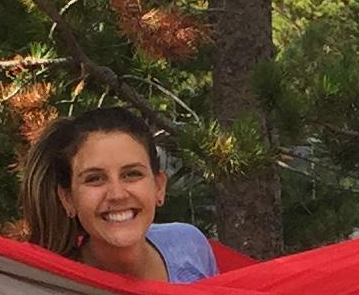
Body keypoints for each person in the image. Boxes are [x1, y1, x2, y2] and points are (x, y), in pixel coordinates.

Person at [19, 104, 219, 285]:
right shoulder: (59, 294)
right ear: (68, 199)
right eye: (95, 178)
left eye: (132, 174)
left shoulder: (189, 247)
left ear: (159, 187)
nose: (117, 194)